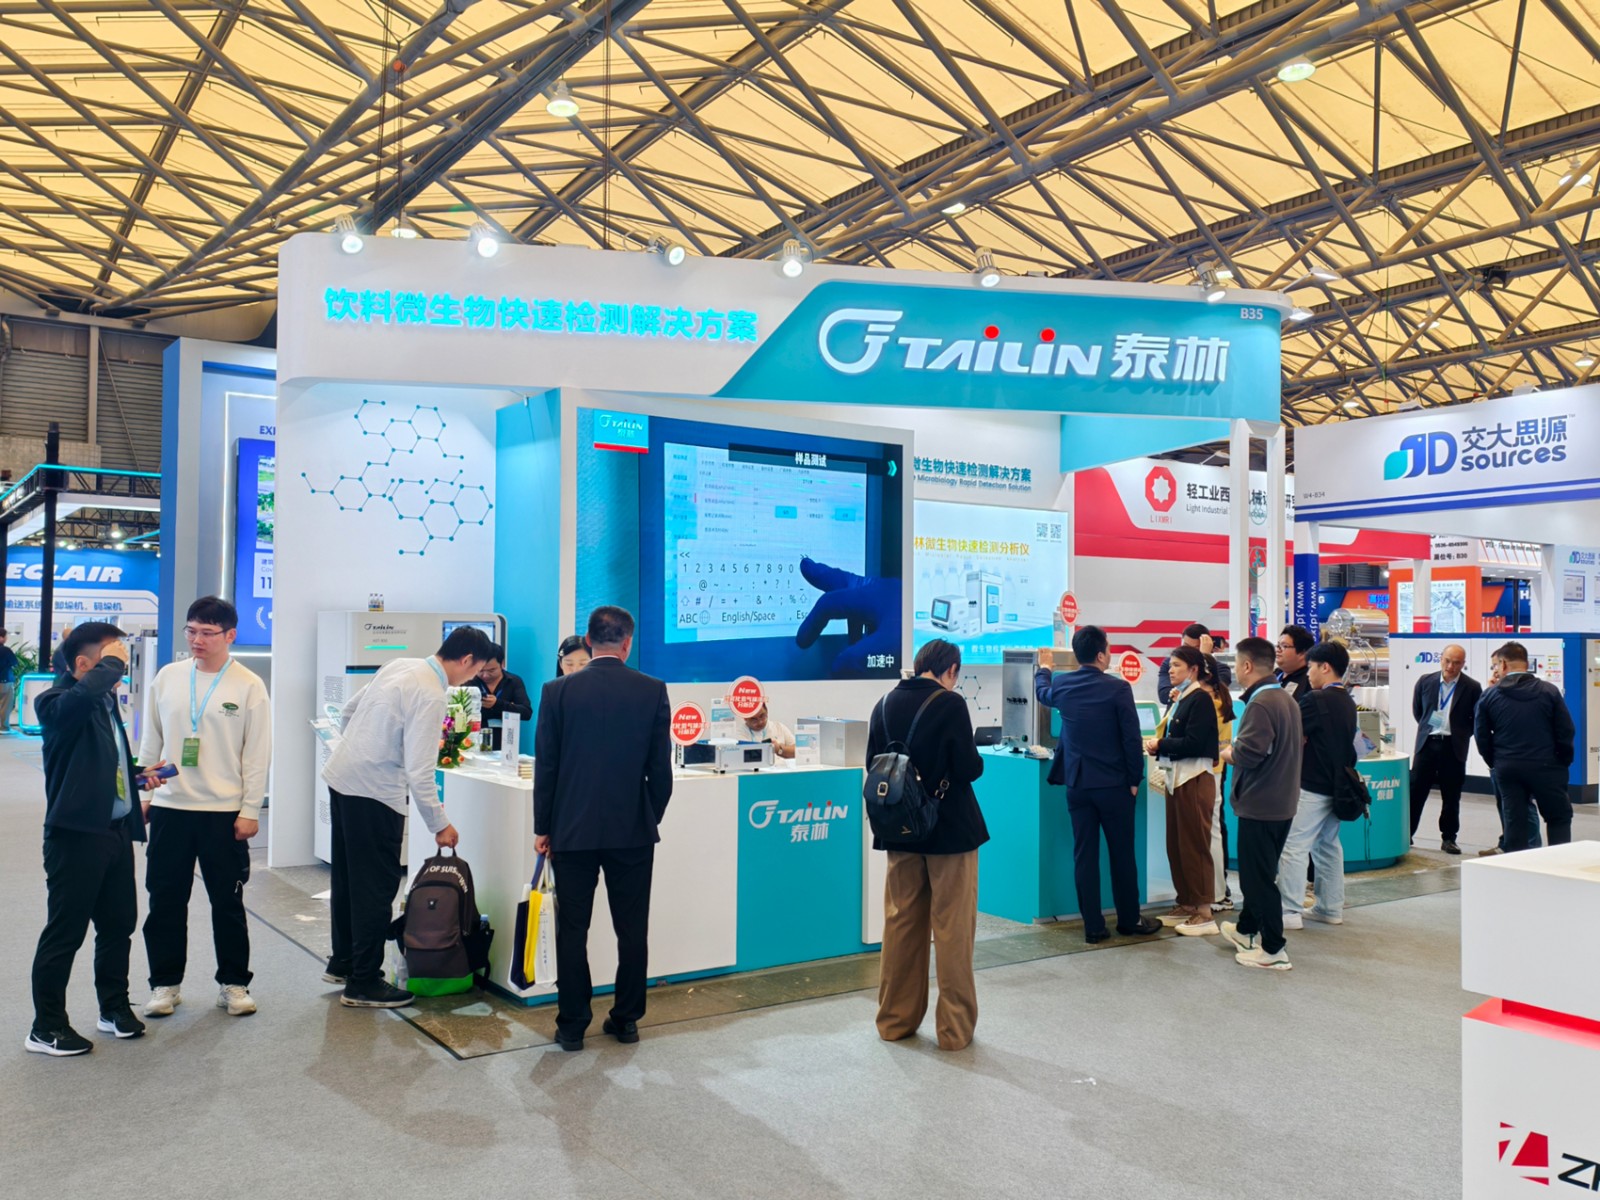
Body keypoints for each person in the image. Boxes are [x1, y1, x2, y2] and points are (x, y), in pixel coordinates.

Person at [320, 626, 485, 1008]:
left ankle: (344, 962)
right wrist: (440, 824)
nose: (473, 678)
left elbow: (349, 711)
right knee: (375, 889)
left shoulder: (401, 664)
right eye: (475, 670)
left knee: (347, 879)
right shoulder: (431, 693)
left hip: (342, 778)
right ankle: (363, 982)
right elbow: (419, 770)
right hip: (376, 793)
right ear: (466, 660)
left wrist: (361, 749)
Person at [534, 606, 672, 1051]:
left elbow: (547, 769)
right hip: (632, 831)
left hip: (571, 830)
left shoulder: (556, 691)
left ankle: (572, 1025)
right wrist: (646, 815)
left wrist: (543, 826)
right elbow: (660, 772)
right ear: (627, 643)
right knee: (632, 929)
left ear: (589, 642)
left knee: (573, 929)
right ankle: (626, 1019)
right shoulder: (652, 690)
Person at [137, 597, 271, 1020]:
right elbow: (151, 738)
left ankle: (233, 983)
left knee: (227, 904)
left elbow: (256, 753)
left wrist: (250, 809)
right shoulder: (168, 676)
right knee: (165, 901)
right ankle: (164, 984)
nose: (197, 640)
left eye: (208, 633)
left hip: (223, 812)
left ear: (230, 635)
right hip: (170, 807)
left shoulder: (248, 685)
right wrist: (143, 794)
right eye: (191, 630)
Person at [28, 623, 150, 1056]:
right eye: (110, 661)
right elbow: (73, 709)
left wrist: (137, 775)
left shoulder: (102, 701)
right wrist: (114, 663)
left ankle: (113, 1007)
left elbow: (103, 756)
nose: (119, 671)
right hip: (74, 836)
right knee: (66, 932)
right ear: (83, 665)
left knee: (118, 926)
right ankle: (46, 1027)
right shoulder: (54, 701)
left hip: (114, 832)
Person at [868, 639, 988, 1051]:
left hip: (899, 831)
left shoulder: (883, 704)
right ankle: (953, 1032)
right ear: (950, 669)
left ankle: (894, 1021)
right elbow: (968, 768)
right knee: (952, 930)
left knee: (901, 925)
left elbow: (872, 764)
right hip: (950, 832)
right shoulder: (950, 704)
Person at [1036, 626, 1161, 943]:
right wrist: (1134, 779)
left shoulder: (1062, 685)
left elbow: (1042, 692)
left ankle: (1093, 927)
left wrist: (1044, 668)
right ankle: (1129, 920)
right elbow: (1131, 738)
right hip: (1114, 786)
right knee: (1122, 855)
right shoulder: (1117, 689)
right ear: (1102, 655)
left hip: (1078, 786)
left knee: (1084, 856)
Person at [1217, 636, 1302, 970]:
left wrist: (1227, 752)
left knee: (1257, 879)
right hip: (1280, 802)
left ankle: (1273, 949)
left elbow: (1249, 753)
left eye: (1238, 664)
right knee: (1261, 871)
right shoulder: (1284, 698)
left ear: (1247, 665)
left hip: (1262, 804)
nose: (1236, 671)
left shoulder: (1262, 704)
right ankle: (1245, 929)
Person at [1278, 641, 1358, 930]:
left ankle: (1289, 911)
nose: (1308, 674)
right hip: (1338, 785)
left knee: (1294, 846)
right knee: (1327, 846)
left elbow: (1291, 733)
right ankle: (1330, 907)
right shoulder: (1347, 700)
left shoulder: (1315, 699)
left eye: (1311, 667)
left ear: (1325, 667)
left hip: (1312, 784)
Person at [1145, 644, 1219, 936]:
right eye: (1170, 665)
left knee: (1194, 846)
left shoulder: (1200, 699)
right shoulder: (1180, 698)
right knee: (1176, 844)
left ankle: (1204, 912)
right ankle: (1186, 902)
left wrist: (1161, 744)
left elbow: (1195, 742)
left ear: (1194, 669)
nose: (1171, 671)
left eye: (1177, 665)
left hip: (1194, 778)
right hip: (1176, 778)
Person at [1475, 641, 1575, 851]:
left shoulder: (1490, 695)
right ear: (1526, 664)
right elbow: (1565, 731)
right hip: (1547, 766)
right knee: (1558, 818)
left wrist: (1496, 762)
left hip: (1508, 768)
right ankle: (1561, 864)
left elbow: (1481, 735)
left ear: (1503, 664)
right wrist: (1562, 761)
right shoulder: (1549, 691)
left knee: (1515, 822)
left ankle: (1517, 866)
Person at [1407, 643, 1480, 855]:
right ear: (1441, 659)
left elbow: (1476, 719)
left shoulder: (1472, 687)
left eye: (1456, 663)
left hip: (1453, 747)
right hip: (1427, 744)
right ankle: (1406, 834)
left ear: (1463, 664)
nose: (1450, 666)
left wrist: (1460, 734)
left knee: (1451, 796)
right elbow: (1418, 712)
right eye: (1447, 661)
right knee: (1416, 792)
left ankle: (1449, 838)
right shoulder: (1425, 682)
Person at [1477, 656, 1541, 857]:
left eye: (1496, 665)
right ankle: (1508, 843)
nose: (1495, 670)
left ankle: (1531, 847)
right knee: (1506, 806)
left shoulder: (1526, 692)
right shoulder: (1494, 693)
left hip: (1519, 759)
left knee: (1524, 805)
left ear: (1504, 664)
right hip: (1500, 760)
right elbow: (1482, 728)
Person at [1201, 654, 1238, 913]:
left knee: (1210, 832)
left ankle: (1215, 893)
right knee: (1213, 830)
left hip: (1206, 771)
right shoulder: (1220, 698)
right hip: (1215, 770)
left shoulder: (1207, 703)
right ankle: (1218, 891)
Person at [472, 643, 532, 751]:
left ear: (502, 664)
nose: (485, 675)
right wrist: (509, 707)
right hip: (473, 742)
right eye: (480, 670)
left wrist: (497, 704)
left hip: (506, 744)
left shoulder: (513, 681)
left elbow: (526, 713)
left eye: (491, 670)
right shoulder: (469, 682)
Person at [1157, 623, 1233, 704]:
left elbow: (1212, 693)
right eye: (1186, 646)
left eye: (1196, 648)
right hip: (1177, 711)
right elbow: (1164, 696)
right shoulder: (1170, 663)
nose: (1188, 652)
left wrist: (1204, 658)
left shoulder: (1221, 669)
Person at [1276, 625, 1314, 698]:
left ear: (1302, 653)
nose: (1278, 650)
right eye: (1278, 645)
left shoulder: (1310, 680)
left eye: (1284, 646)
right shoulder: (1275, 674)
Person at [0, 627, 18, 733]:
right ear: (1, 638)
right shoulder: (5, 650)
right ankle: (4, 727)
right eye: (6, 636)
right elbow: (15, 663)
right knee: (5, 705)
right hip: (4, 680)